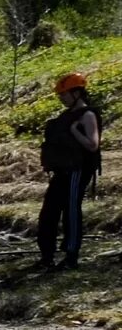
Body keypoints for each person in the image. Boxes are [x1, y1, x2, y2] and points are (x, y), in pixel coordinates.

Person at [38, 71, 102, 270]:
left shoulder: (88, 115)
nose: (61, 98)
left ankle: (71, 256)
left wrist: (75, 131)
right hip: (62, 171)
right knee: (48, 212)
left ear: (76, 93)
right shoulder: (66, 116)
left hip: (78, 171)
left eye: (64, 95)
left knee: (71, 212)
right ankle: (46, 255)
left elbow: (93, 145)